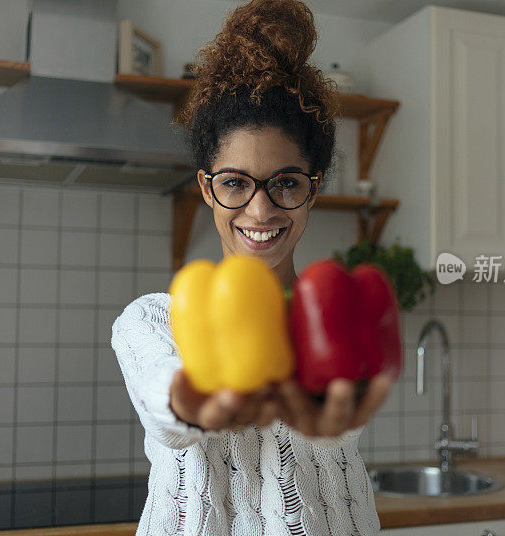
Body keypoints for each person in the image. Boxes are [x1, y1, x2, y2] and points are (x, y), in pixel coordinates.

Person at [110, 1, 395, 534]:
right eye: (236, 183)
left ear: (313, 191)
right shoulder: (152, 322)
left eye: (286, 182)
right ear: (207, 189)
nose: (261, 211)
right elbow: (165, 405)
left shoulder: (337, 315)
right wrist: (199, 400)